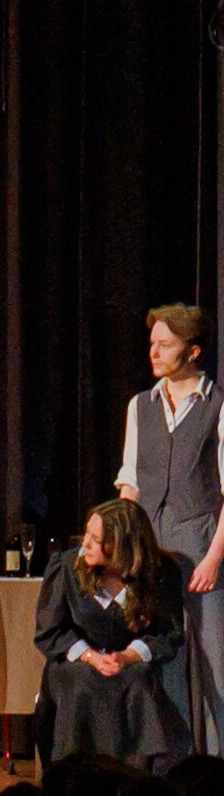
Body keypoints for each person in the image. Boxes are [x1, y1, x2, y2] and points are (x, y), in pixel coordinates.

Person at [116, 303, 224, 756]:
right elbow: (130, 484)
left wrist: (214, 558)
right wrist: (124, 549)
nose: (154, 352)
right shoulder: (141, 406)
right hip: (151, 547)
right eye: (152, 344)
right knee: (161, 652)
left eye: (164, 344)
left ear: (192, 351)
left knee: (213, 660)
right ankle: (169, 764)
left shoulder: (216, 405)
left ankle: (216, 768)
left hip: (201, 544)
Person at [34, 499, 189, 770]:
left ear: (123, 546)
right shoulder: (68, 568)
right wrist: (91, 656)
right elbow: (50, 631)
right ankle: (73, 774)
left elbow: (167, 633)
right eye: (87, 534)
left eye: (96, 540)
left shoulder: (160, 572)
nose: (85, 544)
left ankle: (135, 777)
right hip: (75, 662)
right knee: (82, 680)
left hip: (128, 664)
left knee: (139, 679)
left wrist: (128, 657)